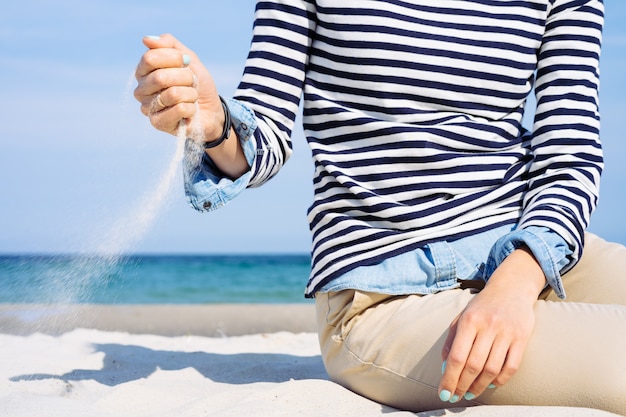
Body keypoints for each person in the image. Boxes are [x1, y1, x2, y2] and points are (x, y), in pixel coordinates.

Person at [134, 1, 626, 414]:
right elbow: (263, 138)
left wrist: (515, 283)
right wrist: (215, 121)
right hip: (382, 295)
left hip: (530, 255)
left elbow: (570, 153)